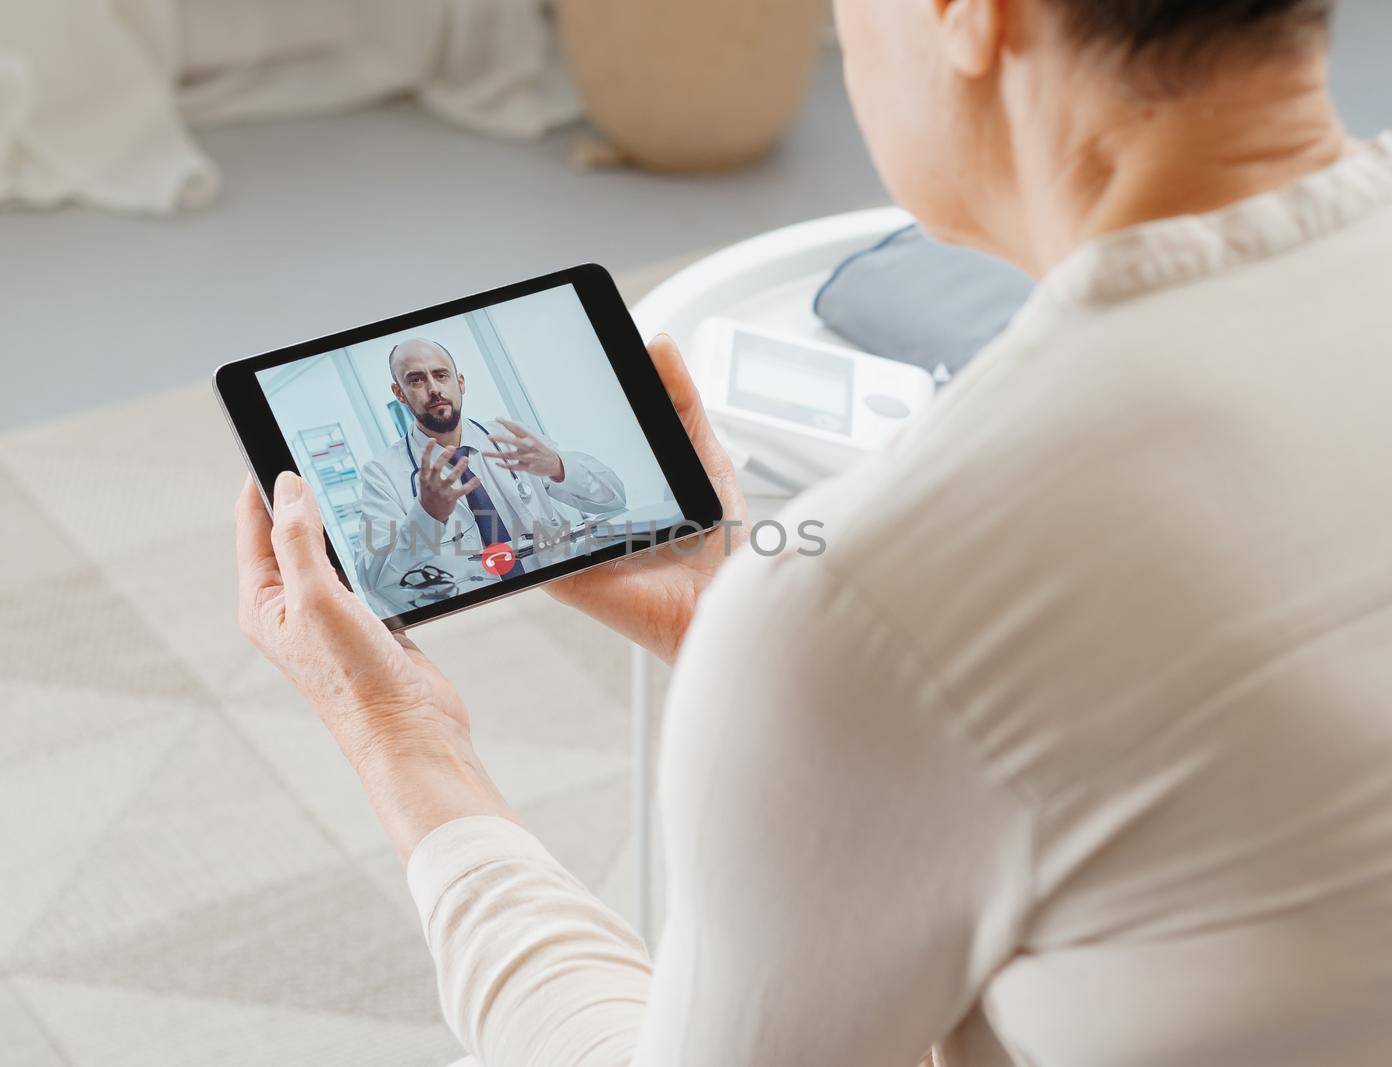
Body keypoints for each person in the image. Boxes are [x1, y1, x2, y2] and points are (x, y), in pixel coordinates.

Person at [233, 0, 1392, 1063]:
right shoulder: (866, 614)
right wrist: (787, 641)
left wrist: (400, 733)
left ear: (963, 15)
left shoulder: (874, 598)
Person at [357, 337, 626, 597]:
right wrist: (427, 516)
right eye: (416, 380)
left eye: (441, 375)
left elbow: (613, 498)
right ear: (399, 393)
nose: (433, 389)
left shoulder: (514, 440)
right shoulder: (382, 474)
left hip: (561, 592)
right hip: (485, 617)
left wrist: (558, 466)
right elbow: (374, 579)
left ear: (460, 382)